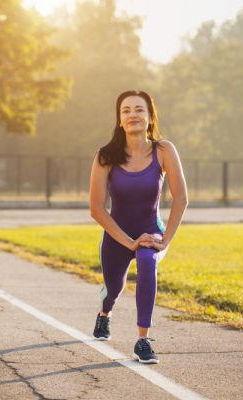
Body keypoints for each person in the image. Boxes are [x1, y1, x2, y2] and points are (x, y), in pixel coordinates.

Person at [89, 90, 188, 364]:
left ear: (149, 116)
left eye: (139, 109)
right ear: (120, 120)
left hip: (151, 232)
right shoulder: (105, 156)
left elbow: (181, 197)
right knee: (114, 289)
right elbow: (96, 208)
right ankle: (104, 314)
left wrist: (165, 240)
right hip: (117, 235)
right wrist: (128, 242)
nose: (132, 114)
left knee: (147, 261)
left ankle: (142, 339)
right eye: (126, 110)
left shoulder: (164, 150)